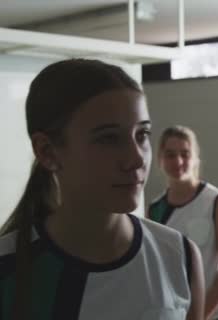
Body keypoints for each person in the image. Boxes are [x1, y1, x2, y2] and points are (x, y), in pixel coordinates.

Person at [0, 59, 205, 319]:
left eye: (142, 135)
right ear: (47, 151)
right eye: (108, 138)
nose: (136, 159)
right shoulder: (8, 269)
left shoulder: (177, 256)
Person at [149, 125, 218, 320]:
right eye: (170, 154)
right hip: (178, 313)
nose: (178, 161)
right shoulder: (155, 208)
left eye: (185, 154)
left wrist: (198, 316)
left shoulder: (217, 201)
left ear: (196, 159)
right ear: (160, 159)